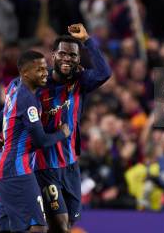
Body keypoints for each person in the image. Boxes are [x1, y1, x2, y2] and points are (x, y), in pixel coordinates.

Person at [34, 24, 111, 232]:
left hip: (71, 165)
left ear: (78, 60)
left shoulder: (80, 81)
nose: (67, 59)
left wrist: (87, 41)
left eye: (72, 55)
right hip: (45, 165)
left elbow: (104, 73)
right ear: (53, 56)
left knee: (68, 222)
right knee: (59, 224)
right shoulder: (39, 84)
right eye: (62, 54)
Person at [0, 50, 70, 233]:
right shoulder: (27, 100)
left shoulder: (13, 86)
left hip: (6, 171)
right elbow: (41, 141)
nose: (45, 73)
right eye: (40, 70)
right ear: (26, 73)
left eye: (46, 68)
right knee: (38, 228)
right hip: (17, 172)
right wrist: (62, 133)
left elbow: (4, 115)